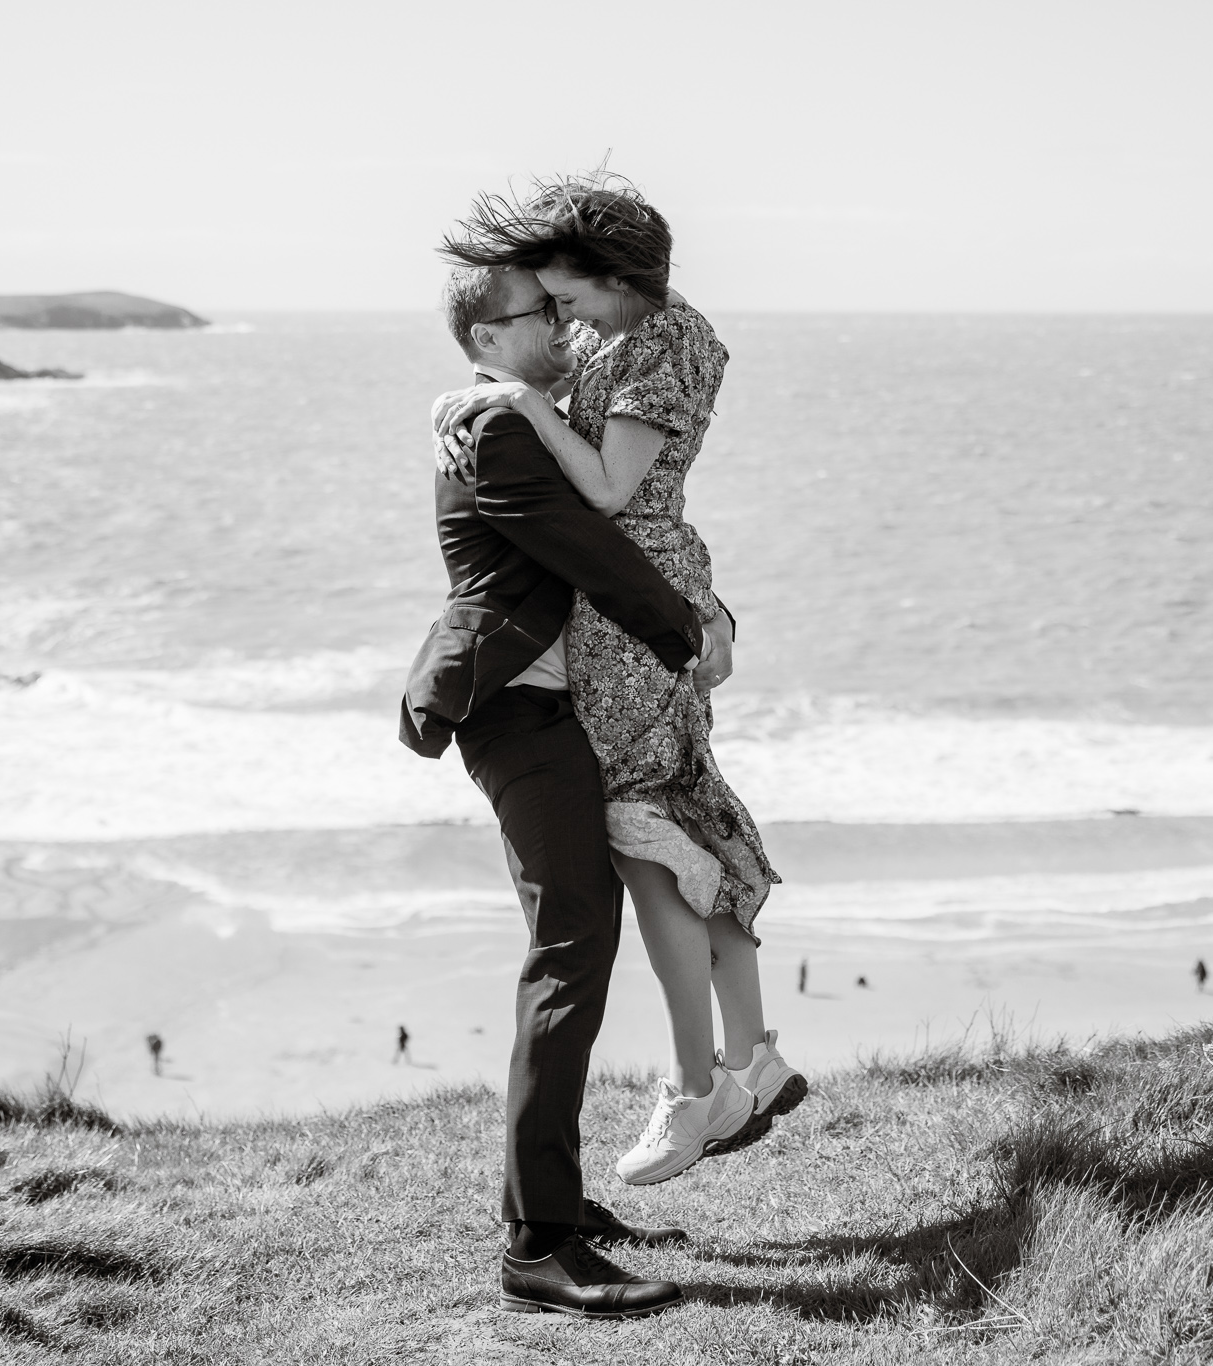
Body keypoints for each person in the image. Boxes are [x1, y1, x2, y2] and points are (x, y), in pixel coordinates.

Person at [435, 176, 806, 1190]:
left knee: (647, 838)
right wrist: (486, 390)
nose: (560, 318)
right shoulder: (620, 335)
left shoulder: (664, 343)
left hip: (631, 604)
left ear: (613, 276)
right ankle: (748, 1055)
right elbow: (574, 443)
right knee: (675, 820)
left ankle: (696, 1091)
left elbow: (605, 487)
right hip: (626, 599)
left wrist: (511, 398)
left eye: (566, 298)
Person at [400, 260, 721, 1319]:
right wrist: (689, 633)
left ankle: (556, 1207)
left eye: (555, 304)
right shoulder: (493, 428)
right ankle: (536, 1244)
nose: (556, 323)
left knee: (579, 939)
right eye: (537, 313)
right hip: (510, 711)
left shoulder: (512, 411)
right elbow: (588, 549)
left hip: (547, 711)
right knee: (568, 948)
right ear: (487, 339)